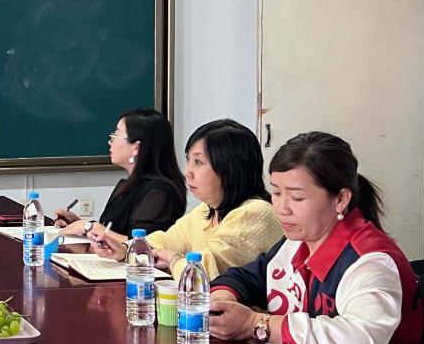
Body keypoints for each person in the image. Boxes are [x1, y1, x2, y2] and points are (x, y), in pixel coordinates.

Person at [209, 132, 424, 344]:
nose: (282, 208)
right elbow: (249, 277)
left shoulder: (371, 261)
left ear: (341, 199)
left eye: (297, 197)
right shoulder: (297, 241)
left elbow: (361, 341)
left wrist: (255, 324)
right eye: (276, 193)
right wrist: (221, 302)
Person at [88, 119, 283, 279]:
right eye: (188, 160)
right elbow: (167, 240)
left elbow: (204, 271)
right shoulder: (206, 210)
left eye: (198, 162)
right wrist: (125, 250)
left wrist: (173, 260)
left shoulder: (256, 213)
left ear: (230, 168)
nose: (188, 172)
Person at [54, 108, 185, 236]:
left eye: (115, 136)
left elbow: (140, 244)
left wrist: (89, 227)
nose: (110, 142)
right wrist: (78, 225)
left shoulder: (158, 192)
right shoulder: (128, 185)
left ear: (136, 148)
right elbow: (109, 233)